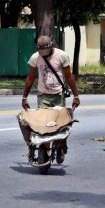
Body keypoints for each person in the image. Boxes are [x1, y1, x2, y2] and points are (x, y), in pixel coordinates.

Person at [21, 35, 80, 163]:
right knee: (43, 125)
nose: (43, 54)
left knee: (61, 125)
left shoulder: (61, 56)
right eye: (41, 51)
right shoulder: (35, 57)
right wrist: (25, 97)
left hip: (58, 95)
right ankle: (45, 148)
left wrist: (76, 96)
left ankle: (60, 146)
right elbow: (30, 78)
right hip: (43, 95)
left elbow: (69, 77)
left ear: (51, 46)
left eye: (45, 51)